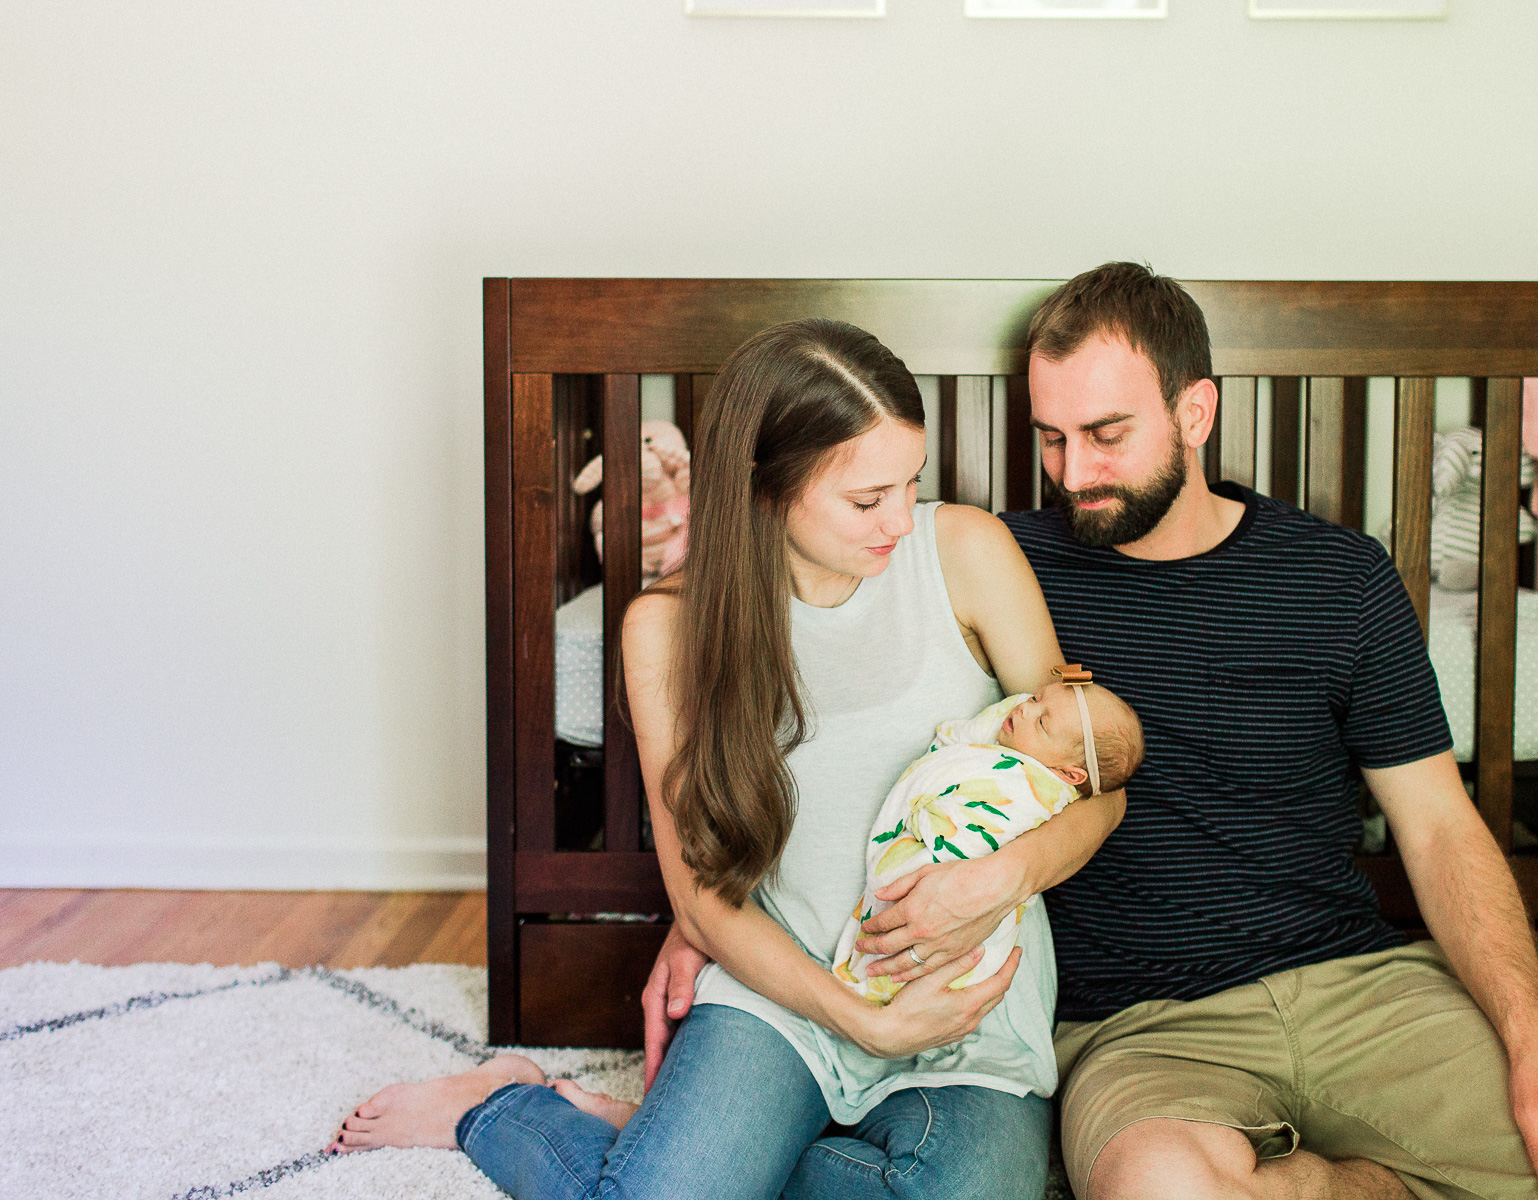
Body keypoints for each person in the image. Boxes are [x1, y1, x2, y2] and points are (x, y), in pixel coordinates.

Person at [645, 267, 1538, 1200]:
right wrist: (702, 916)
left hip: (1361, 990)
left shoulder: (1338, 578)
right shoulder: (995, 563)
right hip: (1141, 1034)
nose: (1075, 472)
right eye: (1050, 438)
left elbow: (1436, 825)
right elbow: (815, 671)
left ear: (1196, 411)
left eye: (1108, 433)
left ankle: (1349, 1177)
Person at [326, 318, 1128, 1200]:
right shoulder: (667, 632)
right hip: (780, 996)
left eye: (912, 484)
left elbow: (1097, 789)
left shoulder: (965, 552)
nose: (902, 519)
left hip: (961, 1011)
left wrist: (1002, 879)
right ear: (766, 487)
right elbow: (702, 902)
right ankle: (502, 1106)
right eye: (867, 500)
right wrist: (855, 1017)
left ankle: (658, 1142)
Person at [831, 678, 1145, 1002]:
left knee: (909, 930)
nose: (1024, 709)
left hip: (950, 890)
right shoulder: (1018, 742)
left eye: (1041, 723)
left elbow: (973, 845)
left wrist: (926, 817)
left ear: (1069, 775)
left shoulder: (1031, 793)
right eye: (1036, 698)